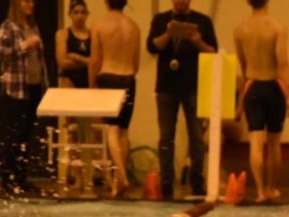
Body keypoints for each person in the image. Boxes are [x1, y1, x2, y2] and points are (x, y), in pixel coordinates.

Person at [147, 0, 218, 199]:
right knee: (166, 137)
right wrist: (169, 33)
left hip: (193, 87)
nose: (179, 2)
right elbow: (152, 47)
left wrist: (197, 41)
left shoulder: (202, 21)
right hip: (166, 87)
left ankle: (197, 181)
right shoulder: (161, 20)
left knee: (196, 137)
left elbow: (213, 52)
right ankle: (166, 182)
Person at [234, 0, 289, 202]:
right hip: (273, 87)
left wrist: (244, 95)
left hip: (252, 86)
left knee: (255, 142)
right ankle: (272, 188)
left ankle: (259, 191)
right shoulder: (277, 27)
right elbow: (282, 62)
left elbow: (242, 65)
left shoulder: (240, 29)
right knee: (274, 142)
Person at [0, 0, 49, 196]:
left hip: (33, 86)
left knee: (26, 134)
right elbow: (1, 54)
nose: (31, 5)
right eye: (26, 1)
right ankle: (8, 178)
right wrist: (25, 45)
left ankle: (21, 177)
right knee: (14, 134)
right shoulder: (7, 27)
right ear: (17, 4)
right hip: (16, 88)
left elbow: (40, 60)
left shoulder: (33, 27)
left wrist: (45, 84)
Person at [89, 0, 141, 198]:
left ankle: (122, 175)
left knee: (112, 129)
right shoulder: (134, 27)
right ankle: (117, 184)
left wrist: (92, 84)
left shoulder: (99, 25)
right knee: (124, 131)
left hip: (108, 76)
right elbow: (136, 63)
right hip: (128, 77)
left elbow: (95, 60)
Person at [56, 0, 91, 89]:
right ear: (69, 14)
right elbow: (62, 63)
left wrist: (76, 57)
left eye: (83, 12)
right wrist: (88, 62)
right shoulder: (62, 34)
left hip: (89, 84)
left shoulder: (93, 35)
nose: (80, 16)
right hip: (70, 84)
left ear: (87, 14)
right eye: (76, 12)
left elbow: (97, 61)